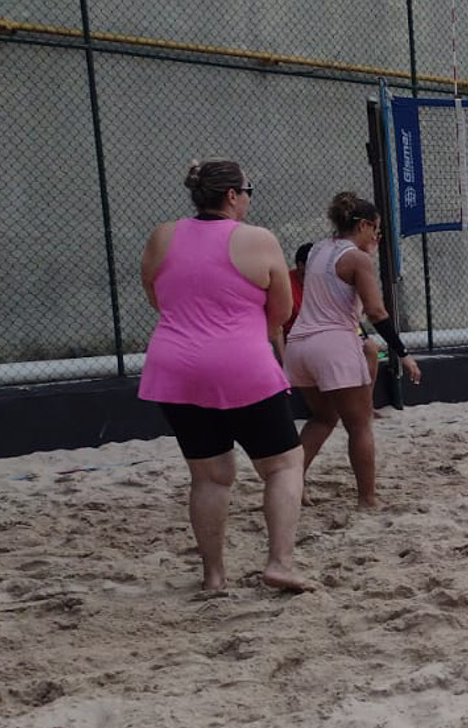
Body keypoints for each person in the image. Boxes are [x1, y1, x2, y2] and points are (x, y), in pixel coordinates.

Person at [136, 159, 310, 593]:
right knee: (284, 465)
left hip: (174, 366)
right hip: (240, 363)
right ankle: (280, 563)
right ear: (232, 195)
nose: (249, 199)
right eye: (248, 191)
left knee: (209, 476)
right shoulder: (258, 239)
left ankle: (213, 576)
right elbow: (281, 312)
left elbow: (156, 296)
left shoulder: (162, 235)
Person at [284, 192, 421, 508]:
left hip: (299, 345)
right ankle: (367, 499)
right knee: (359, 425)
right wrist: (403, 353)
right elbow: (376, 311)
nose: (377, 237)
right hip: (333, 344)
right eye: (376, 229)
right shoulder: (357, 259)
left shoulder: (318, 249)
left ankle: (290, 485)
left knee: (322, 419)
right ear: (363, 225)